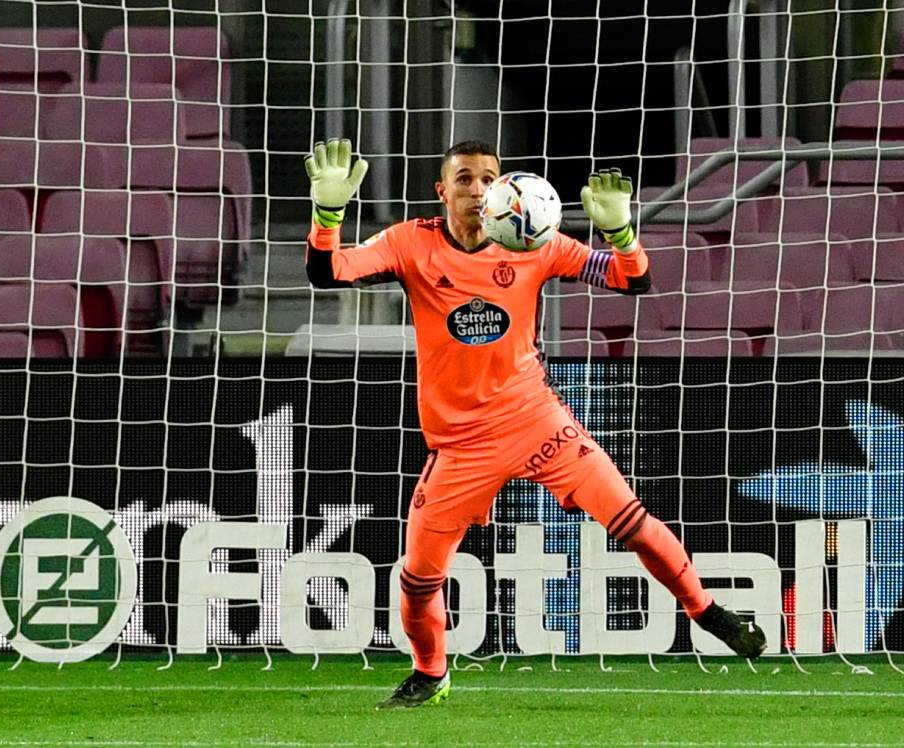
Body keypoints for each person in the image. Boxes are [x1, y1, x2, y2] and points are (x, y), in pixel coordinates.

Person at [304, 138, 766, 709]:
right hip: (459, 445)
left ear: (503, 188)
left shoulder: (535, 242)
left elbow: (632, 281)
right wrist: (327, 217)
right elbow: (331, 272)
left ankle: (707, 610)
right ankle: (431, 672)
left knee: (632, 520)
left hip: (535, 419)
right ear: (442, 191)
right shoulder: (410, 242)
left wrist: (622, 235)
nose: (478, 190)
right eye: (465, 179)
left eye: (488, 179)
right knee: (417, 580)